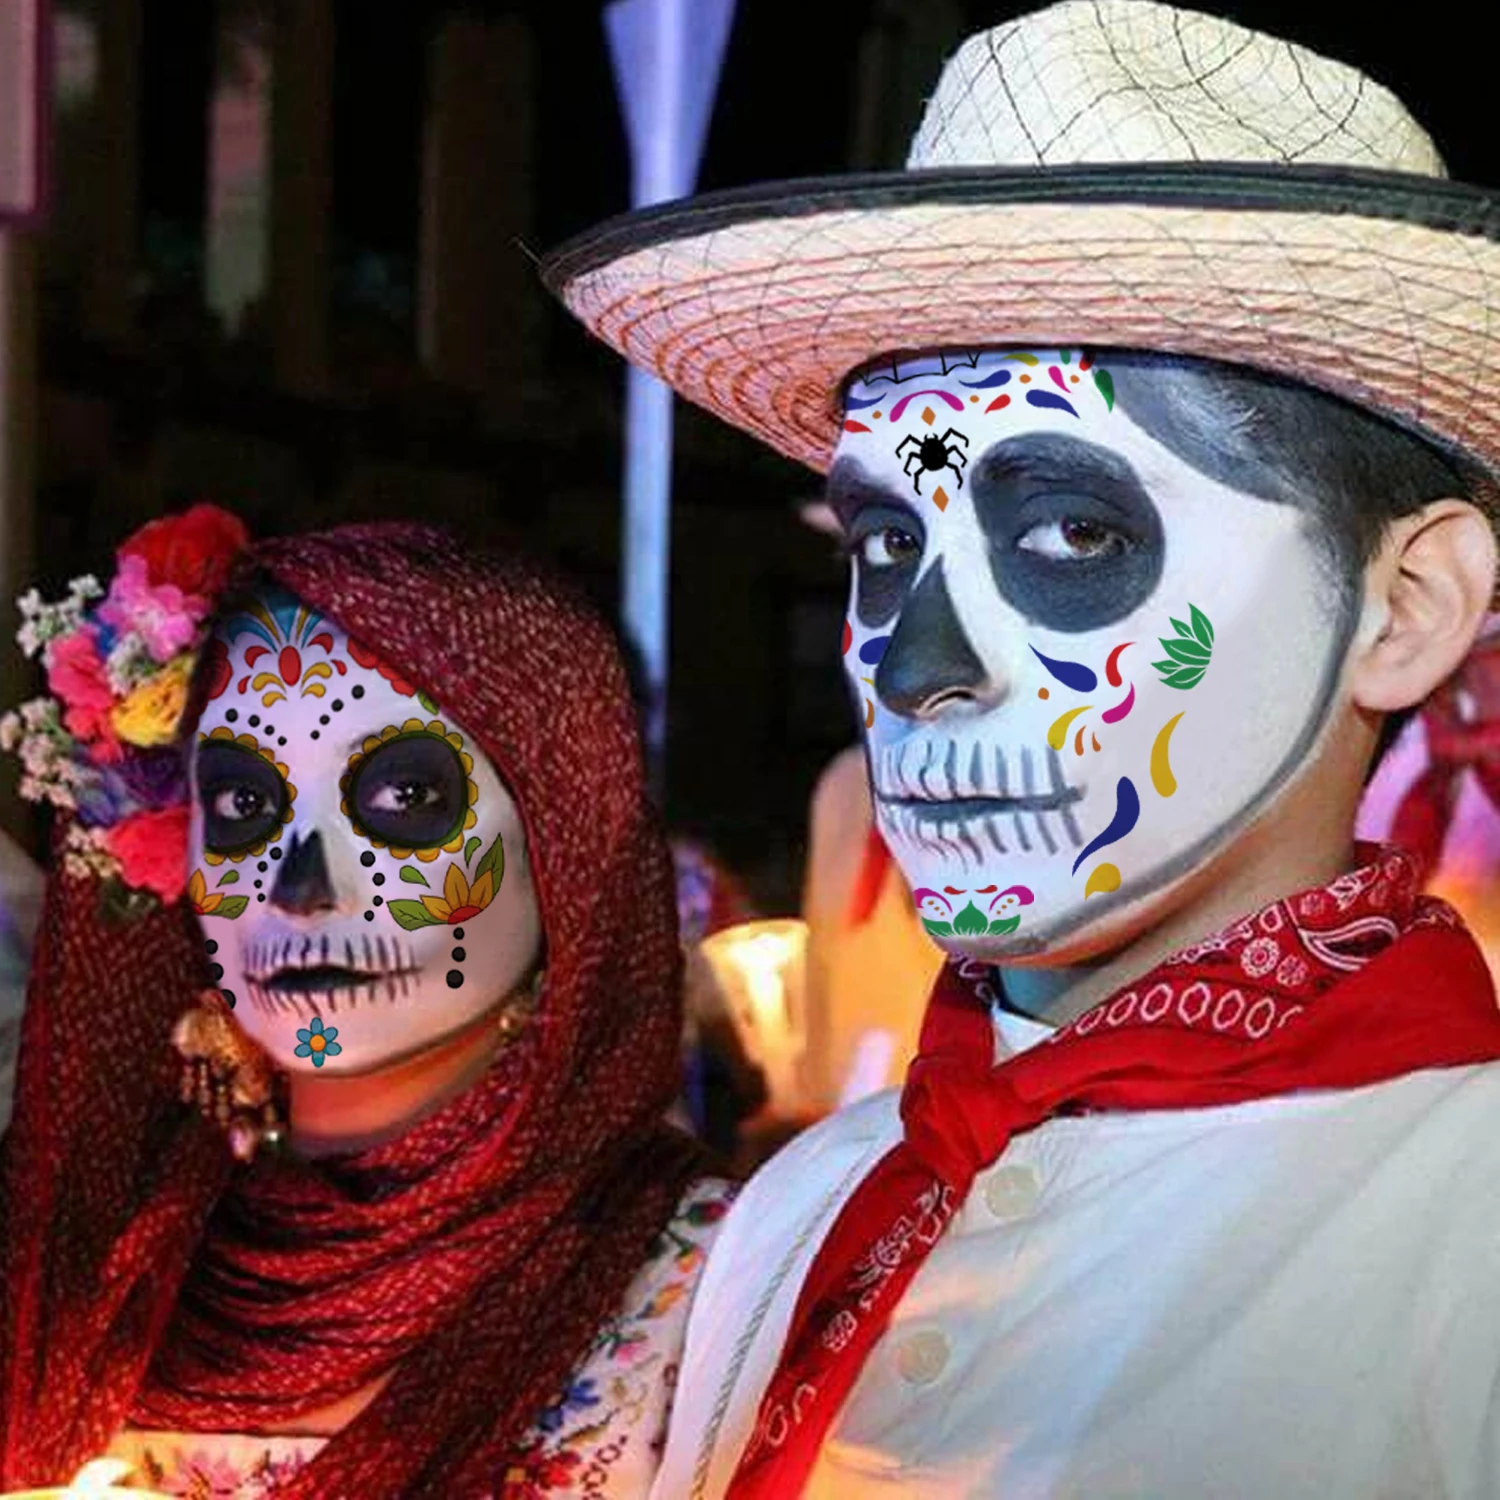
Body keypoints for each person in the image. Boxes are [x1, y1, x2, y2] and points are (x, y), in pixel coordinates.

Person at [545, 3, 1500, 1496]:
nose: (916, 667)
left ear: (1408, 606)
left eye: (1070, 533)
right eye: (883, 540)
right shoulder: (803, 1207)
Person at [0, 509, 733, 1497]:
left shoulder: (716, 1293)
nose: (302, 885)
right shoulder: (99, 1271)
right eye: (246, 807)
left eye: (402, 802)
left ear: (564, 839)